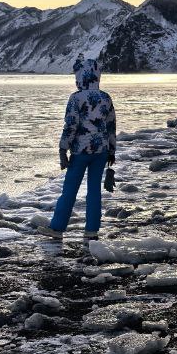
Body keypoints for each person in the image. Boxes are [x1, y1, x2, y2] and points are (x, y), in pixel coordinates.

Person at [40, 58, 116, 239]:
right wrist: (112, 150)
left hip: (80, 151)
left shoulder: (76, 98)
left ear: (81, 76)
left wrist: (62, 149)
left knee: (70, 190)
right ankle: (91, 230)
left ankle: (57, 228)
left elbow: (71, 125)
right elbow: (111, 125)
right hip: (101, 151)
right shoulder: (106, 97)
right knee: (94, 190)